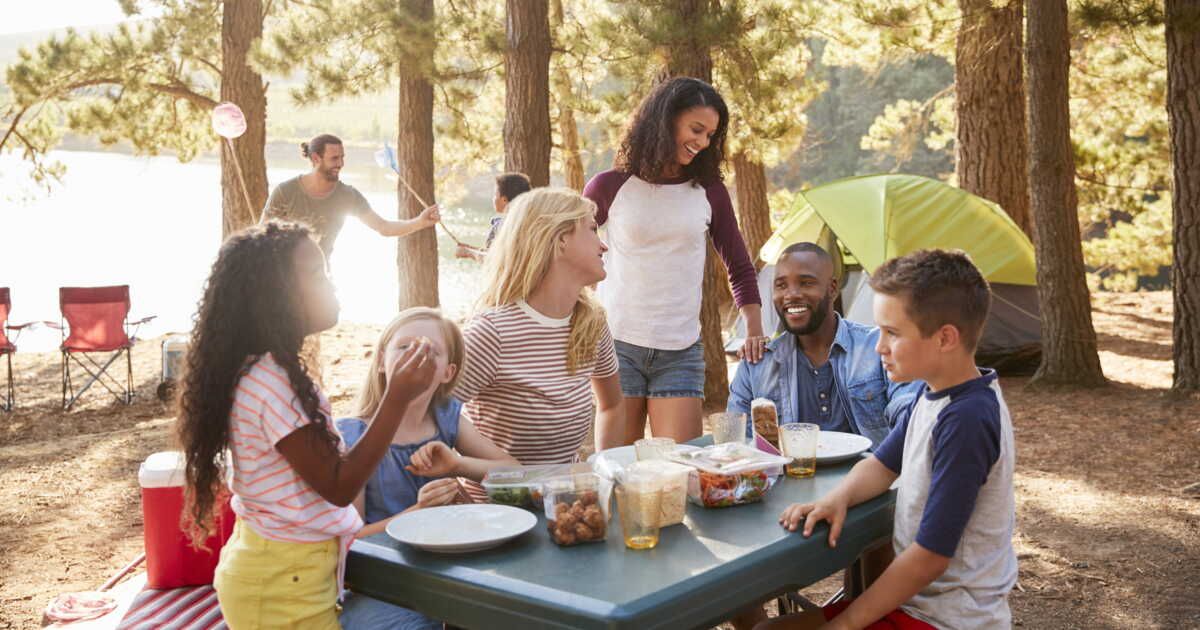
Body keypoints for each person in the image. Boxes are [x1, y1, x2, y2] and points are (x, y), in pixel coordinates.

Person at [175, 221, 438, 628]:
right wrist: (396, 398)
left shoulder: (271, 373)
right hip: (281, 585)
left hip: (287, 571)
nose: (330, 283)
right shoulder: (272, 382)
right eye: (316, 274)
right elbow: (338, 486)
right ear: (274, 296)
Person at [759, 249, 1017, 630]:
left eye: (892, 333)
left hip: (949, 618)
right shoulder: (935, 394)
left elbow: (931, 557)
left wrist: (845, 624)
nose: (879, 346)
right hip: (917, 604)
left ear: (945, 338)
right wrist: (837, 499)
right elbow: (882, 464)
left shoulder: (966, 419)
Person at [584, 76, 765, 445]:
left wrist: (754, 328)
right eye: (696, 129)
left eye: (710, 135)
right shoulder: (608, 186)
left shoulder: (709, 192)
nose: (702, 142)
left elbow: (739, 264)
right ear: (665, 120)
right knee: (616, 474)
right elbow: (569, 249)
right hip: (617, 346)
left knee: (682, 471)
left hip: (680, 351)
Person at [337, 308, 517, 629]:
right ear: (381, 360)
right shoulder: (351, 437)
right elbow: (348, 543)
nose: (416, 356)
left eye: (430, 350)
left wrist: (458, 464)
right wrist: (418, 512)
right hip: (383, 586)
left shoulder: (447, 418)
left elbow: (513, 471)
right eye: (405, 347)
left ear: (447, 372)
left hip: (447, 576)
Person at [453, 187, 625, 500]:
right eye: (592, 229)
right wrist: (501, 466)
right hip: (493, 518)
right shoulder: (493, 332)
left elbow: (612, 405)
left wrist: (604, 478)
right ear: (560, 239)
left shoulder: (592, 323)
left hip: (565, 512)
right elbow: (434, 413)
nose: (604, 245)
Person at [728, 243, 921, 448]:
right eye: (781, 285)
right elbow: (736, 442)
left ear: (832, 288)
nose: (791, 294)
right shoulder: (757, 362)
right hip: (792, 478)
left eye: (806, 283)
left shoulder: (877, 350)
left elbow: (910, 415)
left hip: (871, 475)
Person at [262, 133, 440, 257]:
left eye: (342, 157)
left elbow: (383, 227)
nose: (340, 163)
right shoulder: (285, 192)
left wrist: (419, 222)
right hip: (284, 282)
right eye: (334, 158)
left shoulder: (349, 196)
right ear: (316, 158)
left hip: (320, 282)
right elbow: (262, 234)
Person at [455, 172, 532, 262]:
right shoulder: (528, 221)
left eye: (495, 195)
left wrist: (468, 252)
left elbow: (494, 260)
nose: (493, 198)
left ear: (504, 200)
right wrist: (473, 249)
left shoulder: (506, 225)